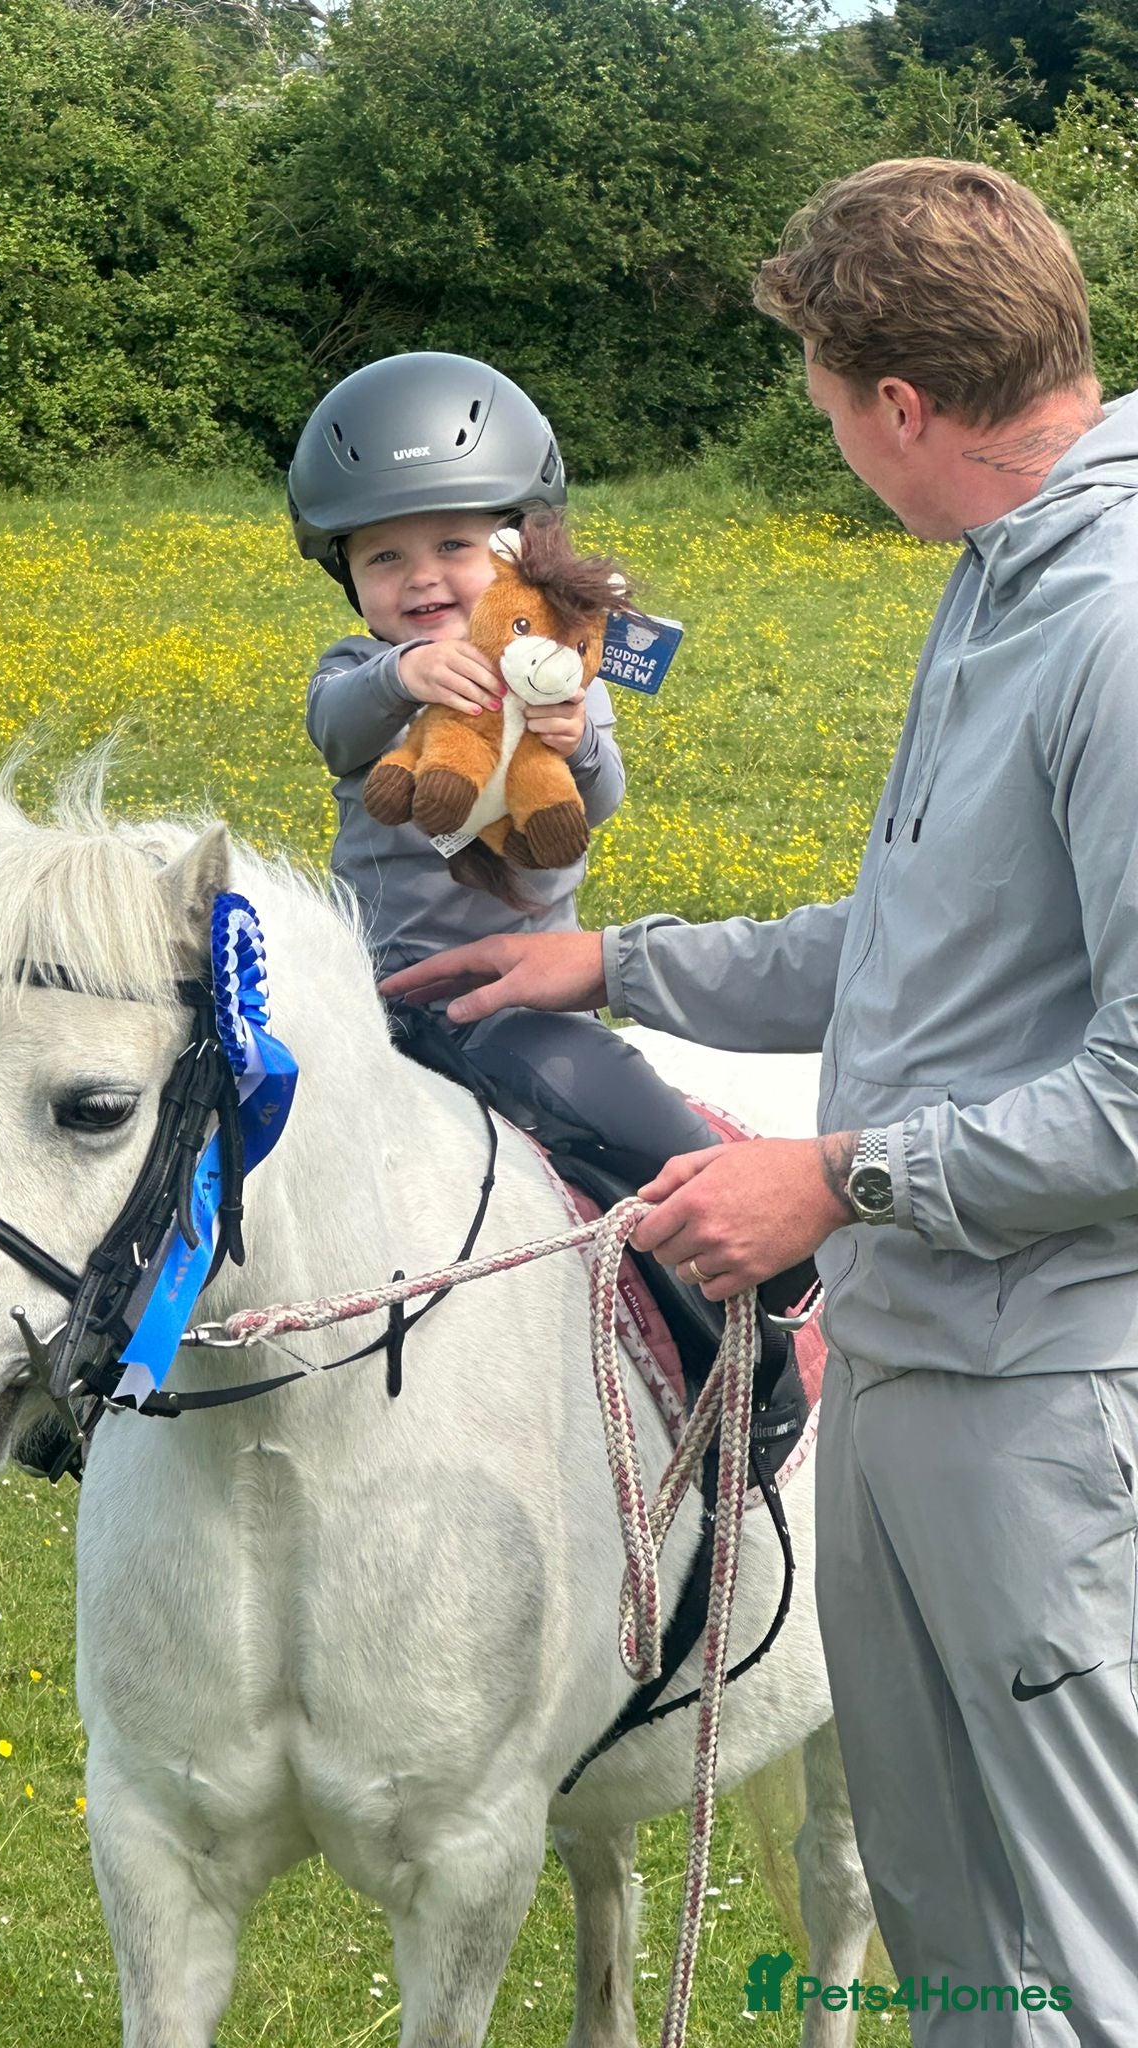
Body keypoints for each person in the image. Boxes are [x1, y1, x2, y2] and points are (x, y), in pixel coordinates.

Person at [382, 161, 1138, 2042]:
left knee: (1077, 1949)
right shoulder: (1001, 584)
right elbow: (916, 949)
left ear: (901, 404)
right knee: (958, 1934)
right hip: (911, 1359)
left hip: (1047, 1400)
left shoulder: (1116, 627)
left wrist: (840, 1179)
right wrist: (615, 962)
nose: (832, 442)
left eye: (824, 402)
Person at [288, 350, 714, 1186]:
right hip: (380, 988)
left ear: (520, 551)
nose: (421, 577)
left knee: (633, 1113)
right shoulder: (361, 667)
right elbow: (334, 730)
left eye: (453, 543)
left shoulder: (556, 668)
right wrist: (402, 675)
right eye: (382, 558)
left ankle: (731, 1223)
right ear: (347, 575)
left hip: (520, 985)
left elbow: (596, 801)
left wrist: (573, 740)